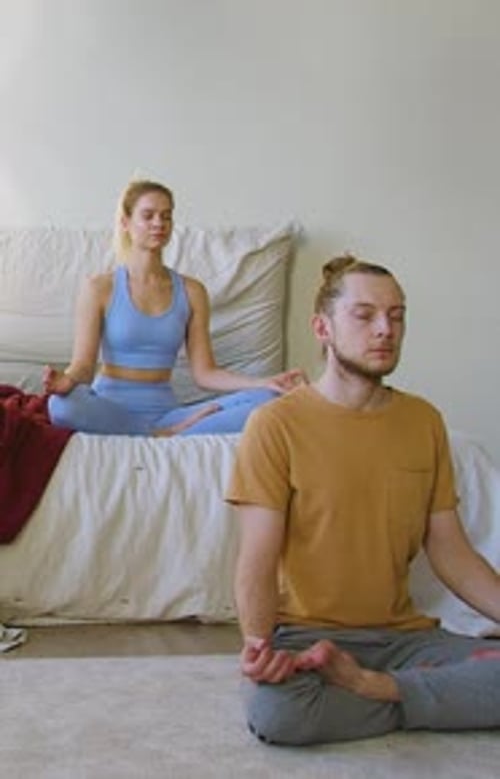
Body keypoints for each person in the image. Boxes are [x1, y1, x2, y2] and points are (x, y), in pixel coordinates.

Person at [226, 254, 500, 746]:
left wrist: (372, 684)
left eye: (397, 316)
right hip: (310, 640)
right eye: (365, 314)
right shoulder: (275, 425)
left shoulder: (424, 421)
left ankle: (373, 688)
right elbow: (258, 558)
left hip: (405, 641)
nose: (384, 329)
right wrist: (257, 643)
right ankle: (417, 699)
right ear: (322, 327)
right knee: (280, 716)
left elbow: (452, 553)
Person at [44, 179, 305, 437]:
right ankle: (156, 433)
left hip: (168, 413)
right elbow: (83, 366)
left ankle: (162, 430)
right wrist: (68, 380)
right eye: (148, 216)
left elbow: (205, 374)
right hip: (109, 409)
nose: (159, 223)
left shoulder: (192, 292)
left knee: (269, 399)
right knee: (61, 406)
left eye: (166, 216)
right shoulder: (99, 288)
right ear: (125, 223)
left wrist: (265, 382)